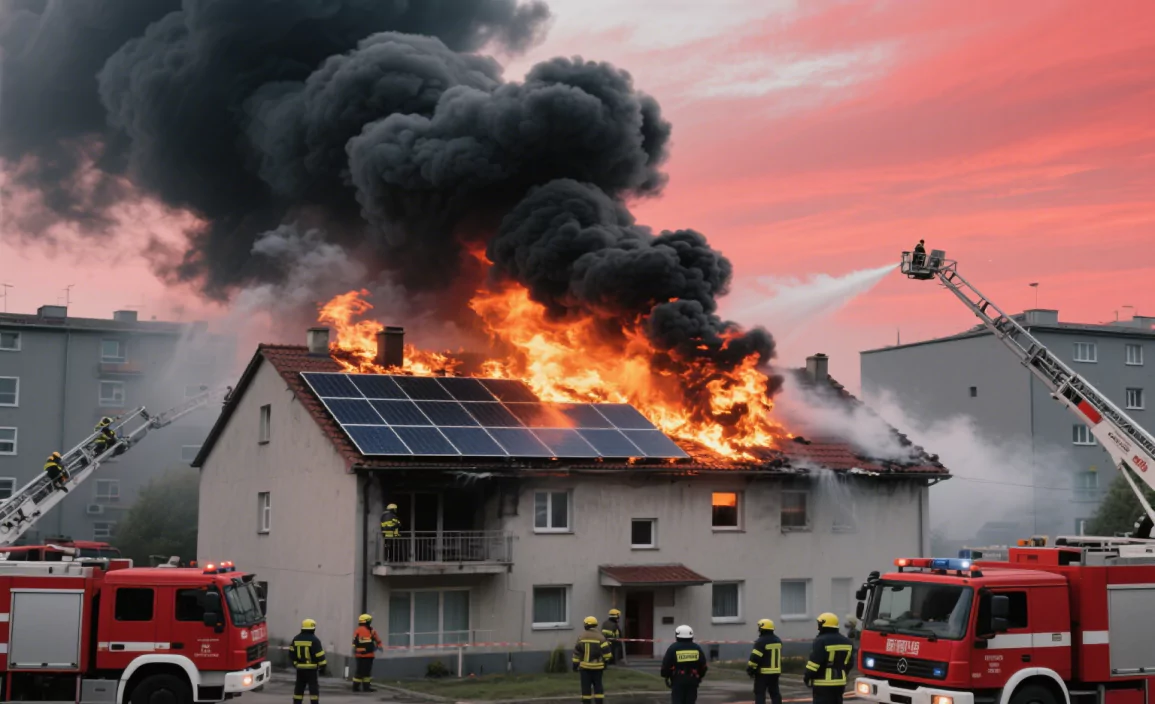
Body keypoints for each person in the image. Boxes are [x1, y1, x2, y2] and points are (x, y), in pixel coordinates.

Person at [804, 613, 854, 704]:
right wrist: (842, 672)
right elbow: (850, 663)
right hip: (840, 683)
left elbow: (814, 663)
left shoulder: (821, 641)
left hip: (823, 683)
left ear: (824, 625)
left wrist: (807, 676)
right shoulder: (847, 642)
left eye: (819, 624)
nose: (818, 628)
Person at [661, 625, 707, 704]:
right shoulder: (696, 648)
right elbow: (703, 666)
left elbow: (666, 665)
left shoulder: (673, 648)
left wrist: (666, 675)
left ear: (677, 635)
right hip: (692, 681)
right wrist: (699, 676)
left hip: (678, 681)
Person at [573, 616, 612, 704]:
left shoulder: (581, 637)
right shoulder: (601, 637)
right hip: (598, 668)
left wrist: (575, 665)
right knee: (598, 686)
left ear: (585, 625)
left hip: (585, 668)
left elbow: (577, 653)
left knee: (586, 688)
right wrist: (605, 663)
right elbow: (607, 654)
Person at [291, 618, 328, 704]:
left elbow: (291, 653)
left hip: (300, 669)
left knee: (299, 687)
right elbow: (319, 654)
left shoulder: (296, 639)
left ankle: (297, 702)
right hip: (311, 669)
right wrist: (323, 666)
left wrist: (295, 663)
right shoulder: (315, 640)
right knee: (313, 688)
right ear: (313, 628)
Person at [746, 619, 782, 704]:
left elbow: (755, 658)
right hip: (775, 672)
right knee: (775, 693)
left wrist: (751, 669)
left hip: (763, 673)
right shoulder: (778, 640)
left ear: (762, 629)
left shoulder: (761, 642)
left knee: (760, 694)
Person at [351, 613, 383, 692]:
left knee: (360, 672)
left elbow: (354, 643)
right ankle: (366, 687)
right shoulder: (371, 631)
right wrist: (379, 646)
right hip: (368, 655)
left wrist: (355, 651)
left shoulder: (358, 630)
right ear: (367, 621)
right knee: (366, 672)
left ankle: (356, 687)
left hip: (360, 655)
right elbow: (378, 641)